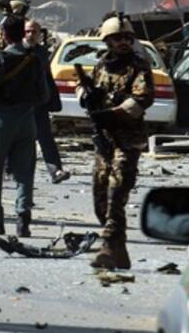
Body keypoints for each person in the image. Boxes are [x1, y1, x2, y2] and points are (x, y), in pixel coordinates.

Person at [80, 15, 154, 269]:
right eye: (117, 38)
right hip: (104, 141)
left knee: (116, 192)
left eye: (127, 38)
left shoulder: (139, 66)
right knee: (100, 199)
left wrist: (113, 113)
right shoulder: (101, 65)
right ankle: (119, 249)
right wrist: (87, 97)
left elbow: (143, 98)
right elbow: (89, 89)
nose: (123, 42)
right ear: (107, 41)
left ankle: (108, 246)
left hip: (127, 140)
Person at [0, 16, 47, 238]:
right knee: (25, 172)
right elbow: (44, 94)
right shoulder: (34, 59)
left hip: (2, 119)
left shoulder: (0, 59)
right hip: (27, 119)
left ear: (4, 35)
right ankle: (23, 218)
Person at [25, 19, 70, 184]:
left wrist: (51, 99)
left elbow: (47, 78)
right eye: (27, 31)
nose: (30, 35)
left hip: (39, 105)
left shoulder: (42, 52)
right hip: (20, 106)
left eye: (33, 32)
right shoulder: (14, 52)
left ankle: (55, 170)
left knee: (45, 138)